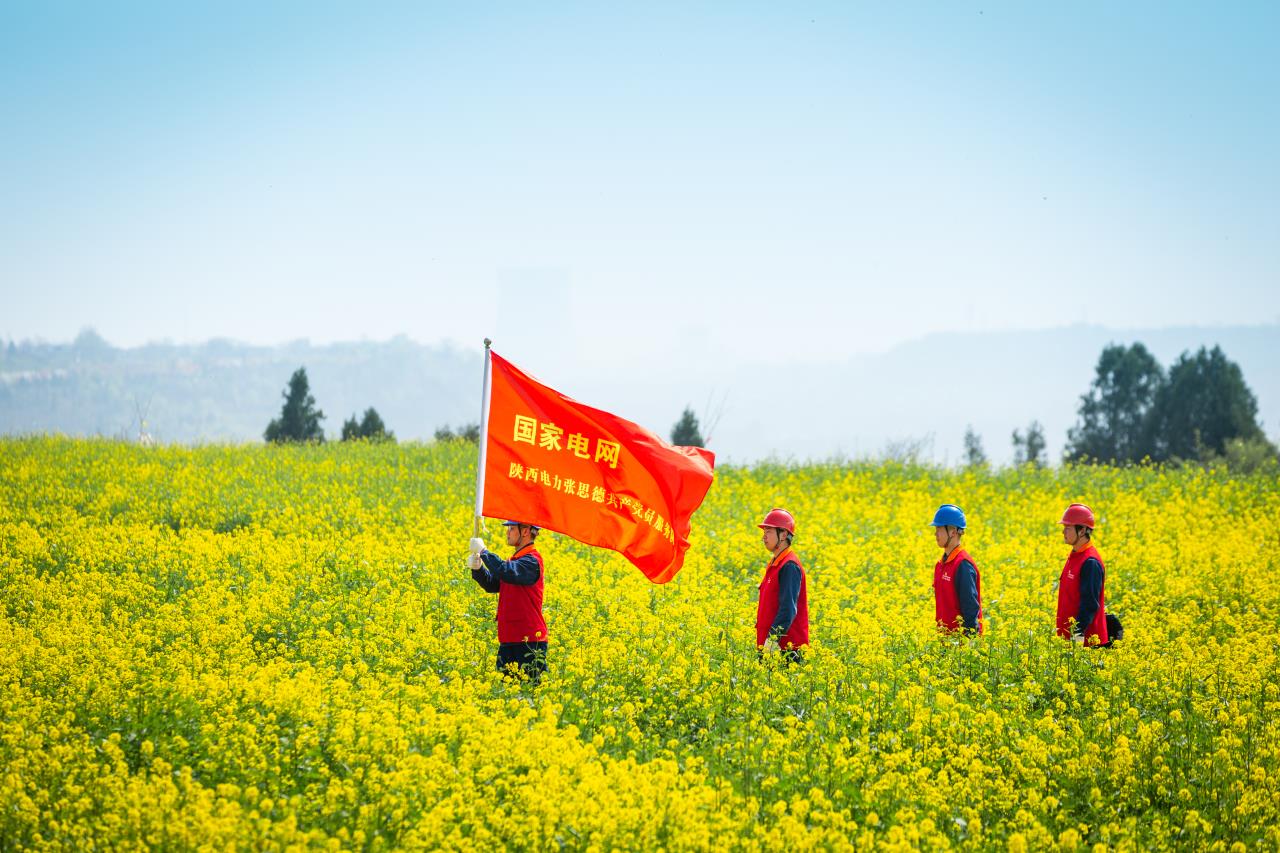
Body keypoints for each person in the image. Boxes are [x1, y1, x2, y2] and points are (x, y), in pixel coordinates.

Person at [469, 520, 548, 680]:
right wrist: (478, 569)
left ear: (525, 531)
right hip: (509, 638)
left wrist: (484, 552)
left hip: (529, 642)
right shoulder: (515, 561)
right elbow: (492, 584)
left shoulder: (531, 561)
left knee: (530, 693)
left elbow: (506, 572)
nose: (508, 532)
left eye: (512, 529)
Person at [755, 508, 809, 663]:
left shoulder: (789, 566)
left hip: (785, 650)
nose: (764, 537)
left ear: (784, 535)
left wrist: (772, 641)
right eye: (764, 531)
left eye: (769, 531)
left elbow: (788, 609)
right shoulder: (775, 563)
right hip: (770, 647)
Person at [1056, 503, 1108, 646]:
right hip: (1070, 641)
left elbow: (1090, 604)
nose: (1063, 532)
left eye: (1067, 528)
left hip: (1086, 645)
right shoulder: (1075, 555)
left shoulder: (1090, 562)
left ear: (1082, 530)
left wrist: (1077, 637)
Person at [930, 504, 983, 635]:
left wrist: (969, 647)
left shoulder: (962, 564)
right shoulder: (941, 564)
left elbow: (970, 609)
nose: (935, 533)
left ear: (953, 532)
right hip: (946, 643)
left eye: (939, 528)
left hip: (961, 646)